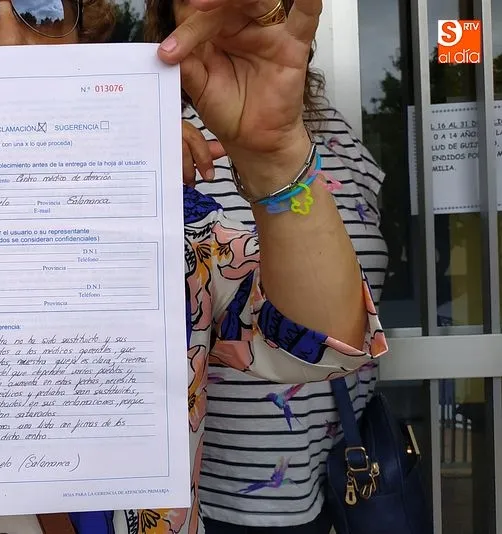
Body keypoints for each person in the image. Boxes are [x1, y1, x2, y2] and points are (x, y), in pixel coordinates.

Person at [0, 0, 389, 533]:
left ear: (83, 32)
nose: (10, 44)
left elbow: (320, 343)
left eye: (43, 11)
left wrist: (275, 157)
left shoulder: (170, 220)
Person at [144, 2, 388, 533]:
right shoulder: (154, 133)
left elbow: (329, 332)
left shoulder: (336, 134)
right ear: (168, 12)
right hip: (219, 490)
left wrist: (279, 157)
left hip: (321, 471)